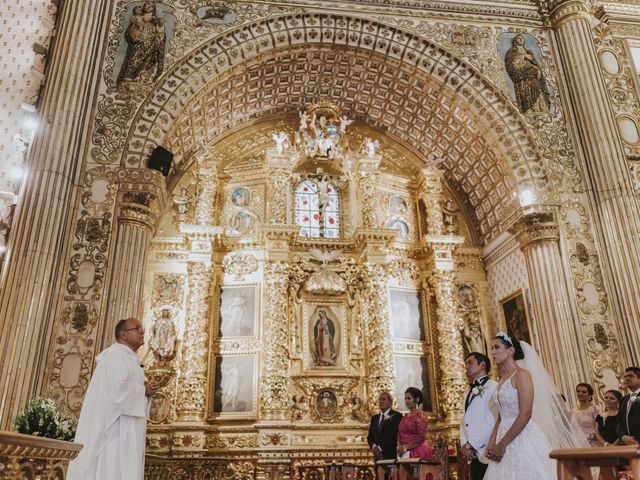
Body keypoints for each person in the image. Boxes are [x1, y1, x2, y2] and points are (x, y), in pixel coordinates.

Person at [484, 332, 588, 480]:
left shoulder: (522, 375)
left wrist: (502, 444)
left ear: (510, 350)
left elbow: (525, 413)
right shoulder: (502, 379)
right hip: (502, 433)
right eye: (492, 348)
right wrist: (492, 441)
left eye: (497, 347)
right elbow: (500, 416)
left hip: (521, 436)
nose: (493, 352)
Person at [67, 318, 157, 480]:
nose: (142, 332)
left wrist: (145, 390)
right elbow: (117, 391)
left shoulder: (128, 358)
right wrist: (144, 390)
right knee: (113, 468)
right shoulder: (116, 356)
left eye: (142, 329)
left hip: (126, 426)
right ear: (123, 334)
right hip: (115, 430)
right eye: (137, 328)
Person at [460, 352, 498, 480]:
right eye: (466, 364)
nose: (466, 366)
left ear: (482, 365)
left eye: (470, 363)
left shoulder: (493, 387)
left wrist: (471, 444)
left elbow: (491, 421)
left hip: (487, 450)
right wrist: (464, 445)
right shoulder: (468, 393)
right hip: (472, 454)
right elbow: (464, 421)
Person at [504, 34, 550, 114]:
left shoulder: (528, 51)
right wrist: (523, 56)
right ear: (515, 41)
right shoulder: (512, 51)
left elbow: (534, 63)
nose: (521, 40)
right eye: (518, 38)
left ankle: (539, 109)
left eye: (522, 38)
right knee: (525, 92)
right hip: (522, 77)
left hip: (533, 75)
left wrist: (538, 70)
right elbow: (510, 64)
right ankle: (529, 110)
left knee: (537, 88)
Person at [397, 387, 434, 459]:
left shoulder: (421, 415)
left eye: (409, 398)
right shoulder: (405, 416)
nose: (406, 401)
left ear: (417, 399)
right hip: (403, 452)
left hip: (418, 451)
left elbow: (421, 437)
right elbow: (399, 433)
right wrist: (399, 446)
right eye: (405, 398)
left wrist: (406, 447)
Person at [367, 392, 403, 460]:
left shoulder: (397, 416)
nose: (381, 401)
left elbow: (394, 435)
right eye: (380, 399)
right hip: (376, 456)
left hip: (390, 454)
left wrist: (380, 448)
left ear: (390, 402)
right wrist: (374, 447)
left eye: (383, 399)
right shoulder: (375, 418)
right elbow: (370, 436)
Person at [617, 367, 640, 445]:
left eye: (630, 376)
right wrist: (623, 437)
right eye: (625, 376)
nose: (626, 378)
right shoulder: (623, 400)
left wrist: (636, 439)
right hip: (628, 445)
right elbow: (619, 422)